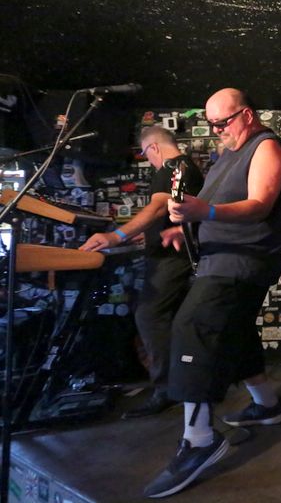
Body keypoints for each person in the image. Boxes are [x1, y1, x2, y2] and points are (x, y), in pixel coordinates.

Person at [142, 88, 281, 498]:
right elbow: (212, 205)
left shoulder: (267, 147)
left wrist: (202, 212)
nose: (217, 130)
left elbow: (260, 205)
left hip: (241, 263)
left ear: (247, 114)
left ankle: (199, 440)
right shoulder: (228, 154)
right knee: (237, 331)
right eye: (211, 124)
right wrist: (185, 227)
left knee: (192, 327)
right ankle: (267, 404)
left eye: (222, 122)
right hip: (219, 260)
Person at [80, 125, 203, 418]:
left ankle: (167, 388)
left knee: (149, 316)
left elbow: (160, 208)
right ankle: (179, 384)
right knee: (169, 319)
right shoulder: (185, 168)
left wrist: (116, 236)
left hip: (170, 258)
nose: (149, 160)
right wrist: (143, 236)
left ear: (154, 148)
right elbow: (174, 214)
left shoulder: (171, 167)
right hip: (173, 254)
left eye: (147, 154)